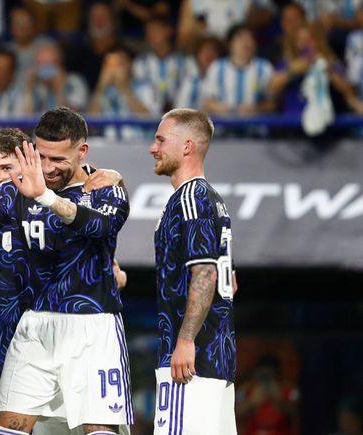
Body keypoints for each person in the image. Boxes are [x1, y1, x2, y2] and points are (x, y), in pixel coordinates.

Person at [0, 107, 132, 435]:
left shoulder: (105, 189)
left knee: (98, 426)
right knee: (9, 425)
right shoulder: (24, 188)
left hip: (92, 325)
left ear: (82, 151)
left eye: (58, 159)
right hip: (37, 322)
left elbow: (99, 225)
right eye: (42, 156)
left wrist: (45, 197)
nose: (48, 167)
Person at [149, 108, 237, 434]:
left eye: (160, 139)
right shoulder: (212, 199)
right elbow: (227, 277)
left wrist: (185, 340)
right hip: (217, 357)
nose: (152, 148)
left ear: (187, 146)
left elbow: (205, 274)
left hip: (191, 361)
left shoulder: (191, 197)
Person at [201, 25, 274, 116]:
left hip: (255, 127)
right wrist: (220, 108)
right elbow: (207, 102)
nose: (247, 42)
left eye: (250, 38)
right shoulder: (217, 68)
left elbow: (272, 104)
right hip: (223, 127)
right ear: (230, 44)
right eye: (241, 38)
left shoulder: (265, 68)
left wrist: (257, 109)